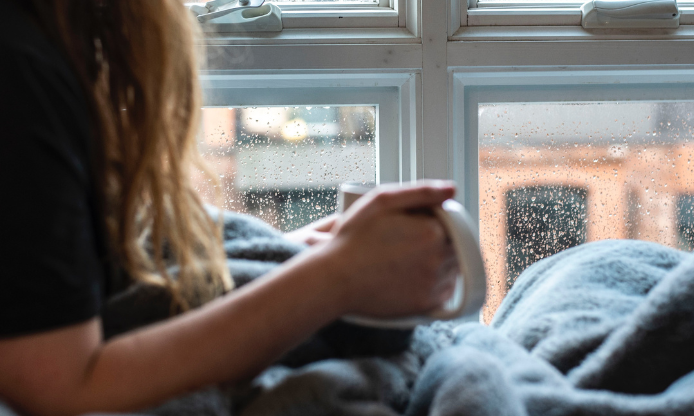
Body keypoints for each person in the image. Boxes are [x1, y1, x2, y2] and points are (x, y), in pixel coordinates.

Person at [0, 1, 457, 415]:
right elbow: (58, 387)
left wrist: (298, 256)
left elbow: (56, 291)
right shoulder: (21, 70)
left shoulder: (48, 46)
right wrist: (337, 275)